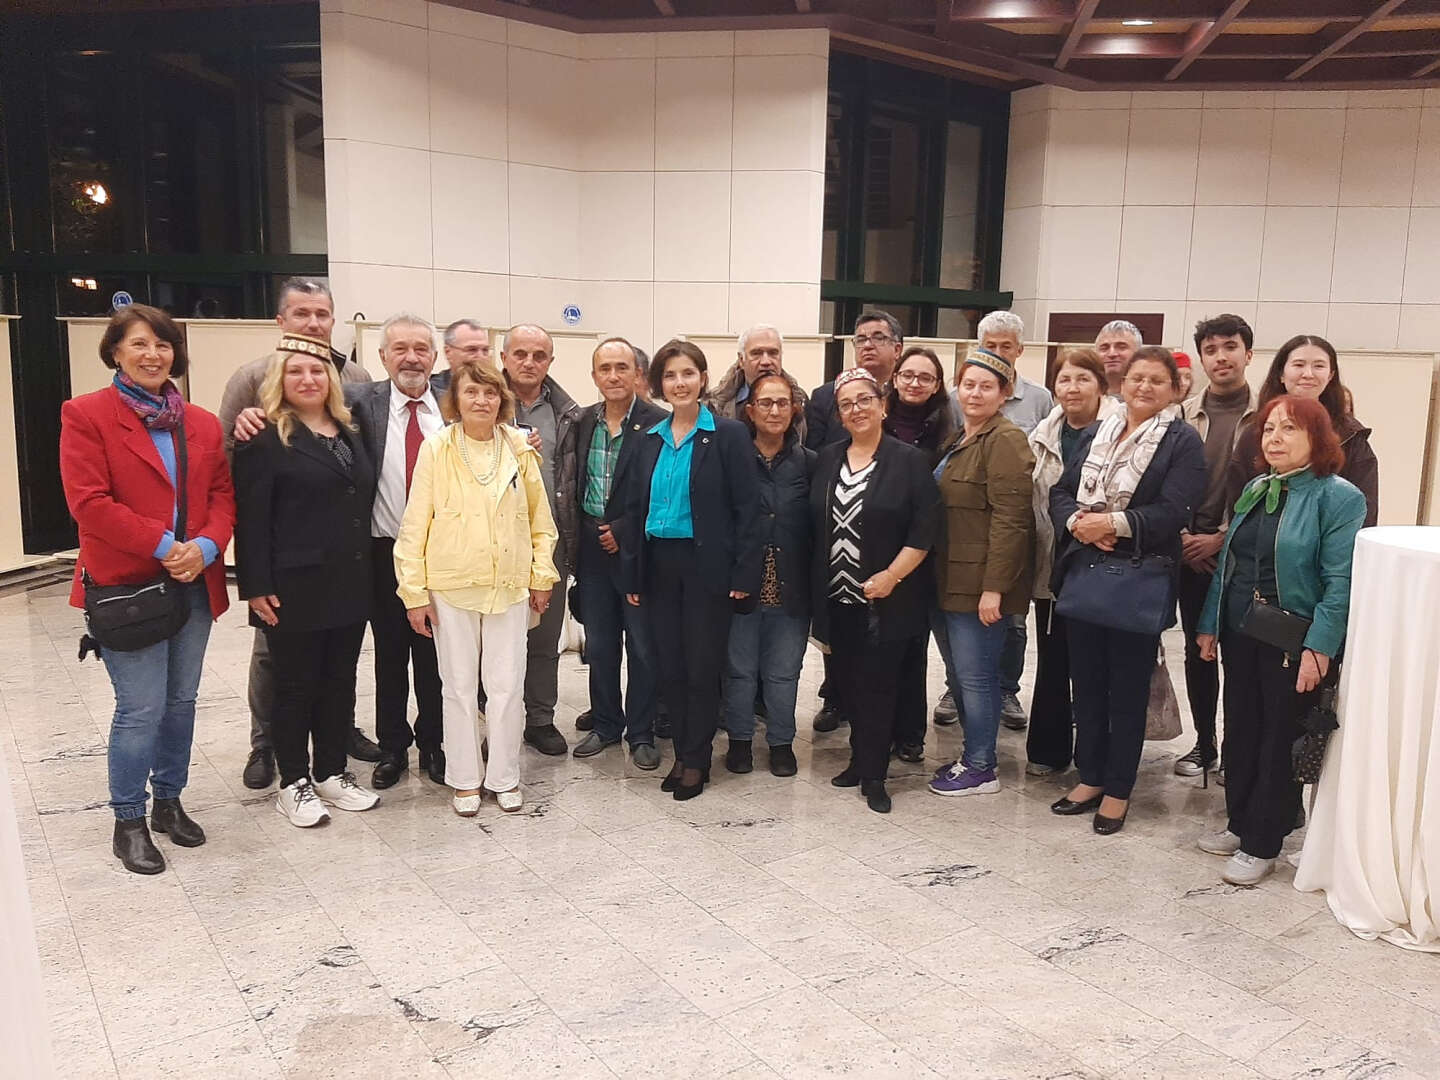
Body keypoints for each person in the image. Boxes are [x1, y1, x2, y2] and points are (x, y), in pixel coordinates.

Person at [60, 304, 235, 874]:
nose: (152, 354)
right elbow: (89, 503)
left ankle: (169, 802)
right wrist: (165, 547)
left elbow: (222, 496)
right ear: (115, 351)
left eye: (162, 344)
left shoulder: (202, 423)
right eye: (138, 344)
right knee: (141, 708)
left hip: (193, 583)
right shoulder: (86, 415)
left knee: (181, 702)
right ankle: (128, 820)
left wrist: (205, 547)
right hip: (128, 587)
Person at [1196, 395, 1366, 885]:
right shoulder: (1257, 487)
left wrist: (1320, 647)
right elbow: (1229, 564)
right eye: (1269, 428)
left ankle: (1262, 841)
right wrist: (1210, 623)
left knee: (1278, 738)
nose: (1274, 438)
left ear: (1318, 438)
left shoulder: (1339, 497)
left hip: (1292, 639)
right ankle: (1240, 822)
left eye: (1289, 428)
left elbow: (1340, 581)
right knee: (1241, 729)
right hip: (1240, 630)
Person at [218, 277, 379, 790]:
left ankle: (334, 751)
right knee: (283, 670)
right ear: (281, 321)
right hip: (291, 572)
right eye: (301, 313)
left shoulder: (356, 387)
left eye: (321, 314)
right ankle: (269, 749)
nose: (312, 323)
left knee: (337, 673)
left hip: (346, 570)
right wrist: (255, 581)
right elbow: (239, 481)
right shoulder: (252, 382)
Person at [1049, 346, 1205, 835]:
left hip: (1138, 579)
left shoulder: (1181, 440)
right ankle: (1090, 776)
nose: (1144, 387)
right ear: (1123, 382)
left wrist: (1112, 523)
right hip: (1085, 571)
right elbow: (1060, 492)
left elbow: (1174, 511)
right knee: (1086, 686)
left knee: (1127, 692)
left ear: (1175, 389)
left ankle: (1118, 788)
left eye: (1157, 380)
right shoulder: (1099, 431)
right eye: (1137, 377)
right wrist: (1079, 522)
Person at [394, 360, 559, 816]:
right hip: (451, 586)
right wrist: (414, 594)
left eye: (490, 393)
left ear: (501, 399)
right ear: (456, 399)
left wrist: (541, 576)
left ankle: (504, 777)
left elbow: (541, 520)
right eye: (471, 392)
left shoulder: (520, 447)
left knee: (506, 687)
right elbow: (414, 524)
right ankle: (465, 779)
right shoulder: (437, 448)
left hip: (509, 585)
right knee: (458, 687)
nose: (481, 401)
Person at [621, 340, 761, 801]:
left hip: (707, 568)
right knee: (670, 668)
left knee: (702, 667)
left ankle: (697, 760)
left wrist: (744, 576)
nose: (679, 383)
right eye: (670, 375)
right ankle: (682, 752)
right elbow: (634, 511)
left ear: (702, 378)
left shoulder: (728, 435)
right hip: (659, 564)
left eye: (687, 373)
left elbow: (748, 509)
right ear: (658, 384)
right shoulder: (648, 439)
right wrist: (634, 574)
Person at [810, 368, 939, 814]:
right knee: (847, 685)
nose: (856, 409)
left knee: (880, 687)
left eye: (864, 400)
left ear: (882, 406)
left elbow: (924, 531)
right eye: (846, 404)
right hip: (837, 597)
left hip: (887, 597)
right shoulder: (828, 458)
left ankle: (876, 776)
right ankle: (859, 760)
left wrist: (891, 576)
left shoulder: (909, 461)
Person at [928, 348, 1035, 797]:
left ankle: (981, 766)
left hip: (979, 587)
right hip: (949, 579)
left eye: (986, 386)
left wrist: (995, 588)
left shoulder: (1006, 440)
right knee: (959, 675)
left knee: (977, 678)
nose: (975, 393)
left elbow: (1013, 520)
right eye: (968, 384)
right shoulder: (961, 437)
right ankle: (972, 755)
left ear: (1004, 393)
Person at [347, 315, 448, 789]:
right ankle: (392, 749)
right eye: (400, 349)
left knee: (435, 658)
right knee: (389, 656)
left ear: (435, 356)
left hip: (441, 556)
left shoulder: (452, 404)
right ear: (383, 356)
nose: (411, 358)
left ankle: (434, 744)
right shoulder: (357, 403)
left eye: (421, 349)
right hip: (381, 553)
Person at [569, 338, 667, 770]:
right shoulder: (582, 421)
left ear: (637, 374)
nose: (613, 375)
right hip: (591, 549)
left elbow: (664, 489)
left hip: (638, 550)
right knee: (601, 645)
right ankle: (606, 724)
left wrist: (625, 529)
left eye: (622, 367)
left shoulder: (658, 424)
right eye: (604, 368)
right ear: (594, 376)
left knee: (642, 646)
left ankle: (641, 732)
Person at [807, 310, 905, 735]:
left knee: (895, 648)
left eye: (878, 337)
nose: (867, 344)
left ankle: (899, 724)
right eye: (860, 338)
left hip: (893, 531)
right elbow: (813, 455)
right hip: (840, 518)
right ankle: (836, 697)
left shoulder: (910, 389)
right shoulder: (824, 396)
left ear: (897, 348)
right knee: (840, 628)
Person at [1024, 348, 1119, 777]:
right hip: (1053, 563)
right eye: (1064, 379)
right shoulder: (1042, 434)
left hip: (1106, 562)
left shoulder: (1121, 430)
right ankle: (1049, 749)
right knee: (1052, 658)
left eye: (1083, 378)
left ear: (1101, 385)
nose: (1073, 387)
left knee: (1097, 664)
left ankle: (1098, 760)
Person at [960, 310, 1056, 732]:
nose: (998, 352)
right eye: (990, 346)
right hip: (966, 531)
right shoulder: (960, 395)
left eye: (1006, 346)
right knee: (965, 627)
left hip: (1014, 524)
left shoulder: (1040, 399)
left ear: (1020, 350)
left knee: (1012, 620)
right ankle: (956, 689)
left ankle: (1007, 690)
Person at [1175, 314, 1258, 780]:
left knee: (1241, 658)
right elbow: (1167, 481)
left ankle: (1235, 749)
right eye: (1211, 350)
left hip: (1243, 557)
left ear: (1248, 354)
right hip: (1192, 557)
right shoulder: (1182, 415)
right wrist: (1185, 537)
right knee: (1198, 653)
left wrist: (1223, 538)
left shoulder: (1270, 415)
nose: (1221, 357)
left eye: (1230, 347)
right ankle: (1203, 744)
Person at [722, 372, 814, 778]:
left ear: (794, 409)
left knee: (783, 672)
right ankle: (740, 740)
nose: (774, 411)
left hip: (792, 587)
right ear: (750, 410)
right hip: (742, 586)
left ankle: (781, 742)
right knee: (739, 670)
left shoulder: (810, 463)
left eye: (782, 403)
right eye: (765, 403)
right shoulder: (732, 459)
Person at [500, 324, 581, 757]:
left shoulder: (568, 413)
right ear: (504, 358)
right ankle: (498, 721)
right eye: (520, 354)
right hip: (497, 546)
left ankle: (540, 719)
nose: (529, 363)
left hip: (551, 545)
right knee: (497, 641)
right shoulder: (486, 402)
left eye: (538, 355)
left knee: (545, 638)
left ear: (550, 361)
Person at [884, 345, 960, 750]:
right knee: (879, 644)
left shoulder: (949, 429)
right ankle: (875, 728)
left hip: (925, 548)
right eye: (908, 375)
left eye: (925, 377)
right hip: (878, 543)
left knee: (914, 645)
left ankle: (910, 735)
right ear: (895, 378)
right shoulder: (876, 419)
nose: (915, 383)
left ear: (937, 385)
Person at [1225, 334, 1378, 529]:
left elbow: (1365, 512)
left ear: (1330, 375)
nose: (1308, 374)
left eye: (1319, 366)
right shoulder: (1255, 431)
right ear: (1281, 373)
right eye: (1298, 365)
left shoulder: (1351, 436)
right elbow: (1237, 503)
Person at [708, 324, 809, 441]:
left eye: (773, 353)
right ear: (741, 359)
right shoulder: (715, 403)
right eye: (756, 353)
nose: (766, 361)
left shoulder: (799, 399)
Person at [433, 318, 493, 395]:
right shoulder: (432, 392)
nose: (480, 356)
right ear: (448, 352)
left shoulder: (499, 389)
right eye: (472, 350)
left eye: (485, 350)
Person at [1095, 319, 1142, 399]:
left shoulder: (1147, 397)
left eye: (1121, 347)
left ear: (1138, 353)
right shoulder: (1086, 398)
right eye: (1104, 348)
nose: (1112, 354)